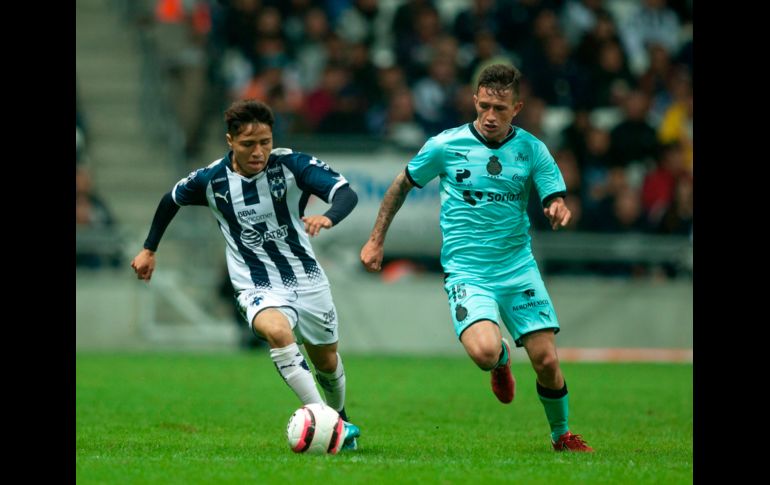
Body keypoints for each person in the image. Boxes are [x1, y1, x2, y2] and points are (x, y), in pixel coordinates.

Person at [360, 64, 593, 452]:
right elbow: (401, 184)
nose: (489, 116)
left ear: (516, 108)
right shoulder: (444, 146)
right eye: (484, 106)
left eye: (500, 109)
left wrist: (557, 207)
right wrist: (375, 240)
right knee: (484, 352)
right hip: (467, 272)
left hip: (518, 268)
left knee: (547, 361)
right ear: (474, 100)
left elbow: (555, 195)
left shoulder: (532, 149)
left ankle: (561, 435)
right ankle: (501, 360)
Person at [131, 99, 361, 450]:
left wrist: (330, 216)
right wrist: (149, 249)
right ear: (230, 141)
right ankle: (327, 423)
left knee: (326, 361)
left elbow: (346, 193)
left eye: (265, 142)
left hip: (308, 279)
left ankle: (339, 416)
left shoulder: (293, 165)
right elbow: (171, 199)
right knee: (277, 332)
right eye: (248, 144)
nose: (258, 152)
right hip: (255, 284)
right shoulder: (211, 180)